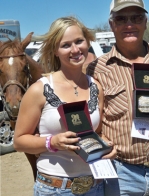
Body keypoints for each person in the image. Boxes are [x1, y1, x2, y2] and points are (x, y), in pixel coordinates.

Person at [87, 0, 149, 195]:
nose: (129, 25)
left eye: (136, 17)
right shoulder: (96, 69)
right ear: (111, 25)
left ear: (145, 22)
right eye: (121, 19)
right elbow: (91, 121)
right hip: (120, 174)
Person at [14, 16, 116, 196]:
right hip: (54, 188)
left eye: (79, 41)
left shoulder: (96, 87)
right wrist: (52, 142)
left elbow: (96, 133)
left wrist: (107, 145)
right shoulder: (40, 89)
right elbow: (19, 141)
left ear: (87, 41)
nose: (75, 50)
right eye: (66, 45)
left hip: (95, 186)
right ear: (55, 50)